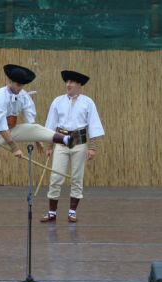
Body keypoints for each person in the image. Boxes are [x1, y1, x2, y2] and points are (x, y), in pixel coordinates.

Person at [0, 64, 74, 163]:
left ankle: (65, 139)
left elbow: (30, 120)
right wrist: (14, 148)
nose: (20, 88)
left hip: (13, 130)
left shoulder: (23, 95)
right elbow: (0, 127)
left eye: (22, 85)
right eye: (18, 85)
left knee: (35, 127)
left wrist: (37, 139)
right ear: (9, 81)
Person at [40, 70, 104, 223]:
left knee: (77, 178)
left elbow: (93, 125)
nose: (68, 84)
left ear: (79, 85)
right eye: (67, 82)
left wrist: (92, 147)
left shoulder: (88, 102)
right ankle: (52, 212)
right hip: (61, 143)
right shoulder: (58, 101)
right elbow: (51, 125)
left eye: (72, 82)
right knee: (56, 177)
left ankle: (72, 212)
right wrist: (49, 146)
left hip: (79, 143)